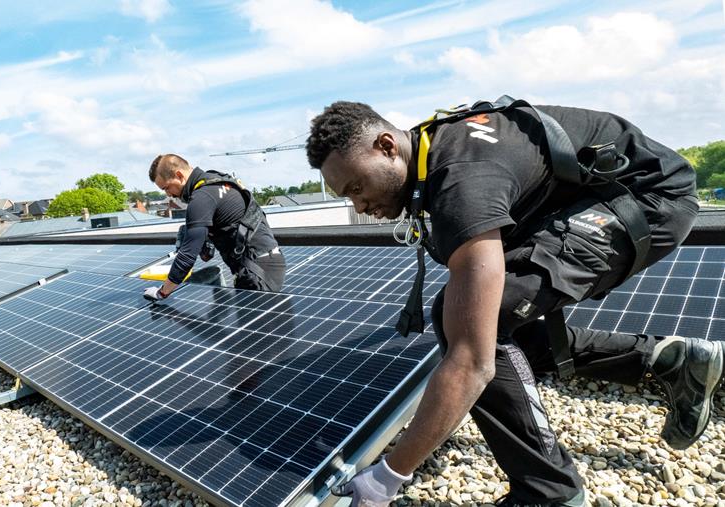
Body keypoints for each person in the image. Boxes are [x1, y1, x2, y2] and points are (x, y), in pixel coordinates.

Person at [305, 99, 724, 507]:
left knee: (482, 328)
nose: (359, 205)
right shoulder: (436, 150)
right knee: (461, 314)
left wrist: (388, 476)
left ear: (386, 145)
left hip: (650, 199)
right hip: (604, 194)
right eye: (347, 196)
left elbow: (472, 364)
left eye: (357, 187)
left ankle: (549, 493)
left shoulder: (462, 181)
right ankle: (666, 361)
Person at [142, 154, 285, 301]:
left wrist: (162, 292)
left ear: (179, 175)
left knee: (255, 322)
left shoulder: (201, 198)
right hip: (266, 261)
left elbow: (187, 256)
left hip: (256, 271)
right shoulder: (215, 180)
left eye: (166, 188)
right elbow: (209, 251)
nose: (168, 195)